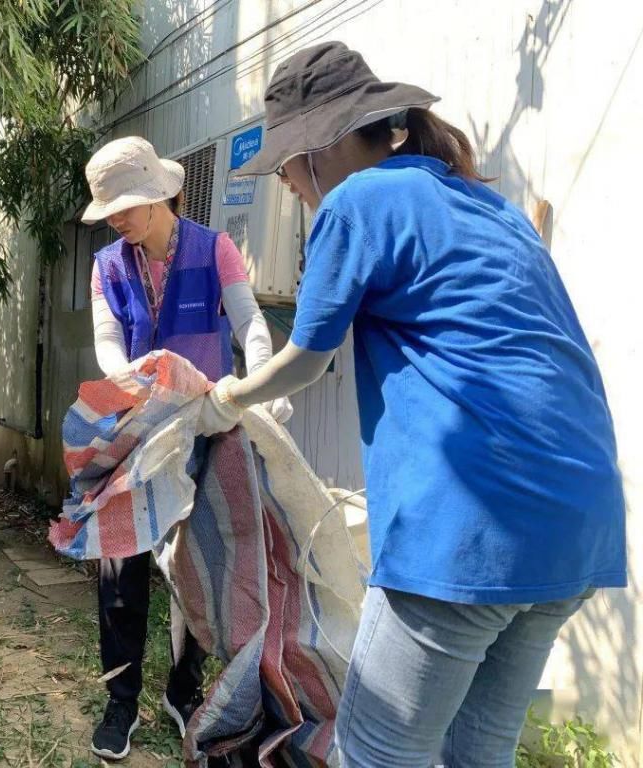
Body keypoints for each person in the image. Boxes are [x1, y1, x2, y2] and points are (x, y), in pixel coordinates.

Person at [196, 42, 626, 766]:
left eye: (287, 170)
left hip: (471, 527)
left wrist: (228, 396)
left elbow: (308, 359)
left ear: (321, 149)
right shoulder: (494, 209)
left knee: (376, 751)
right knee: (477, 750)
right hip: (579, 525)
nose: (292, 189)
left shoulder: (358, 199)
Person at [80, 136, 293, 760]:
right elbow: (107, 337)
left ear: (159, 196)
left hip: (208, 423)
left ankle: (184, 688)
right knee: (120, 562)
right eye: (109, 210)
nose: (117, 219)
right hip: (142, 426)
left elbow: (250, 322)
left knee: (203, 562)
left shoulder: (213, 248)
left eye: (125, 206)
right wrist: (127, 384)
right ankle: (120, 703)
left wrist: (256, 386)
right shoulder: (108, 264)